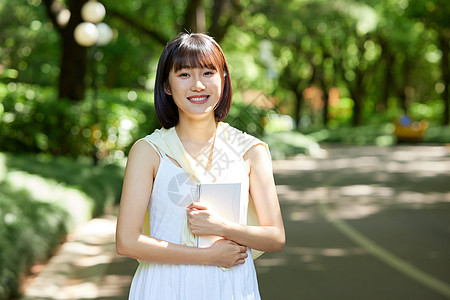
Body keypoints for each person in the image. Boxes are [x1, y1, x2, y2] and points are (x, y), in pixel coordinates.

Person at [116, 32, 285, 300]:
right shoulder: (150, 151)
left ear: (223, 79)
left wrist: (222, 227)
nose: (197, 85)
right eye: (184, 75)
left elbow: (275, 237)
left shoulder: (249, 150)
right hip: (164, 286)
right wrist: (206, 256)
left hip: (230, 285)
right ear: (167, 86)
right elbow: (126, 241)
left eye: (208, 73)